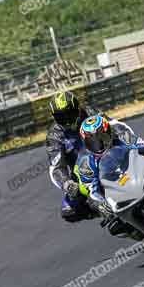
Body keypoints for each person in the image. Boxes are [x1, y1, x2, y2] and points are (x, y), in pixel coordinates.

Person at [45, 91, 103, 223]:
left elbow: (115, 126)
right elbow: (56, 167)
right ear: (54, 117)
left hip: (107, 157)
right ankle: (103, 213)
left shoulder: (90, 113)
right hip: (83, 173)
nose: (66, 120)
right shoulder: (54, 135)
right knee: (68, 210)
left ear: (77, 108)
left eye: (69, 114)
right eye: (61, 117)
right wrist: (66, 182)